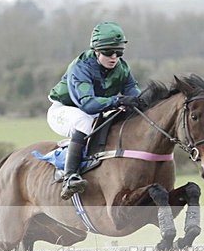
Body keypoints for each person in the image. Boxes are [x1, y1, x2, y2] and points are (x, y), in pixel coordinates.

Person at [47, 21, 142, 200]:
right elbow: (88, 105)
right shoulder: (81, 67)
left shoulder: (122, 68)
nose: (114, 57)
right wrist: (118, 100)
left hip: (93, 111)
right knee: (84, 121)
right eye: (108, 52)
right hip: (64, 110)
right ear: (96, 50)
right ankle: (70, 177)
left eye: (119, 52)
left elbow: (135, 96)